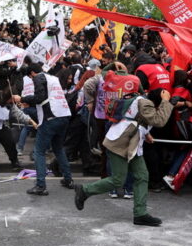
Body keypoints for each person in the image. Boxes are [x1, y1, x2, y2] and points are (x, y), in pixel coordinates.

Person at [74, 75, 173, 226]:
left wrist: (146, 133)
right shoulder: (144, 102)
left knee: (142, 176)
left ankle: (140, 214)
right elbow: (158, 120)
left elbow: (136, 120)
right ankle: (85, 190)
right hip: (120, 143)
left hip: (131, 144)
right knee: (118, 179)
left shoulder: (140, 100)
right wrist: (166, 101)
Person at [20, 63, 75, 195]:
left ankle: (40, 186)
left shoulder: (39, 78)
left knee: (39, 151)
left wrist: (22, 98)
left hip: (51, 118)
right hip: (63, 115)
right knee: (58, 149)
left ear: (32, 73)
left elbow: (39, 98)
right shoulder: (53, 78)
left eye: (30, 77)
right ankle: (68, 180)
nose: (32, 80)